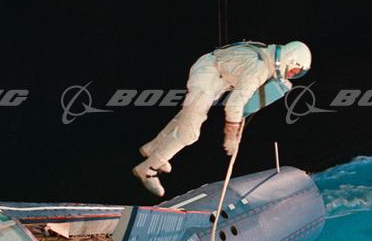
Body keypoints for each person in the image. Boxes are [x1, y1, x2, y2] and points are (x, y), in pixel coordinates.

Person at [132, 41, 312, 196]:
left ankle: (153, 148)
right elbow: (234, 105)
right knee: (189, 133)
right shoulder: (259, 69)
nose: (292, 75)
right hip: (208, 76)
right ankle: (147, 169)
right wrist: (231, 136)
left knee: (188, 115)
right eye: (294, 71)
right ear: (289, 60)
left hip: (214, 71)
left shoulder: (266, 53)